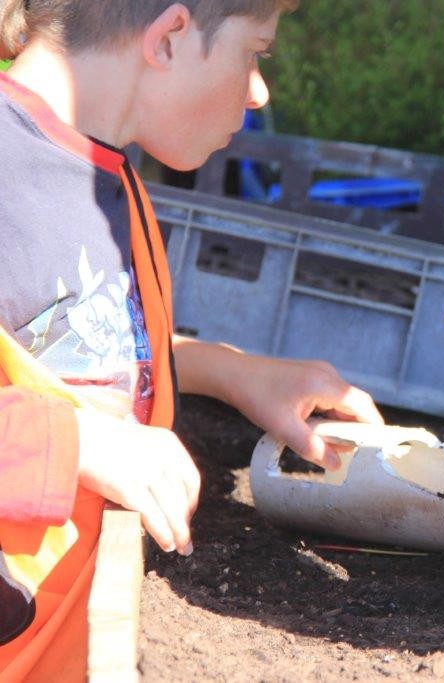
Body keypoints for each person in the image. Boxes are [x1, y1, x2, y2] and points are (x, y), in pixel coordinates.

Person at [0, 1, 383, 678]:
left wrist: (231, 372)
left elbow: (66, 351)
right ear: (170, 38)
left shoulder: (100, 172)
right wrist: (83, 444)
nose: (259, 90)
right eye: (255, 52)